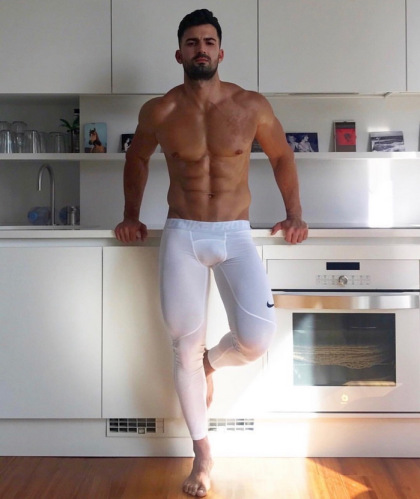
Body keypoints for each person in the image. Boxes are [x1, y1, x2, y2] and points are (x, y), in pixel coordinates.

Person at [115, 9, 308, 497]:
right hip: (183, 232)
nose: (200, 49)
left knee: (257, 339)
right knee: (183, 347)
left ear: (220, 52)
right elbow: (137, 158)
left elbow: (282, 155)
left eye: (208, 42)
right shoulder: (159, 111)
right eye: (191, 42)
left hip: (235, 233)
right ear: (178, 53)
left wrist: (294, 213)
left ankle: (211, 363)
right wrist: (131, 215)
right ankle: (202, 454)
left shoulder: (251, 105)